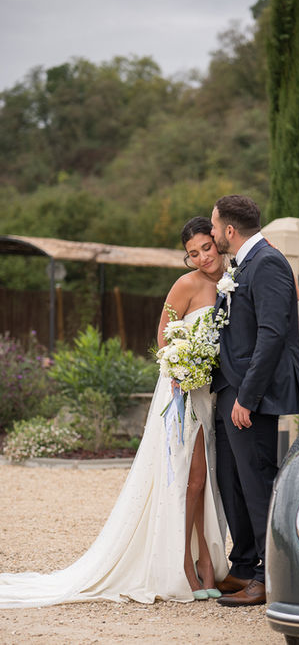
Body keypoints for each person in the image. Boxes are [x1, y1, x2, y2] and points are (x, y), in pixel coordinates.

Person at [0, 216, 229, 608]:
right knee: (190, 478)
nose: (202, 257)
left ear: (217, 240)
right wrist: (183, 368)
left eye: (206, 248)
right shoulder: (185, 284)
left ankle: (204, 557)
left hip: (213, 395)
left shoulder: (230, 282)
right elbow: (164, 338)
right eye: (193, 253)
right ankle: (189, 565)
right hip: (182, 392)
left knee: (205, 480)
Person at [210, 195, 299, 607]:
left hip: (253, 395)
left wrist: (247, 398)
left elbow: (272, 334)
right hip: (231, 388)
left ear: (230, 230)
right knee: (233, 481)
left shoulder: (267, 262)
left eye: (214, 227)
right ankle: (245, 564)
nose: (212, 233)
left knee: (257, 483)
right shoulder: (244, 263)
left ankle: (269, 575)